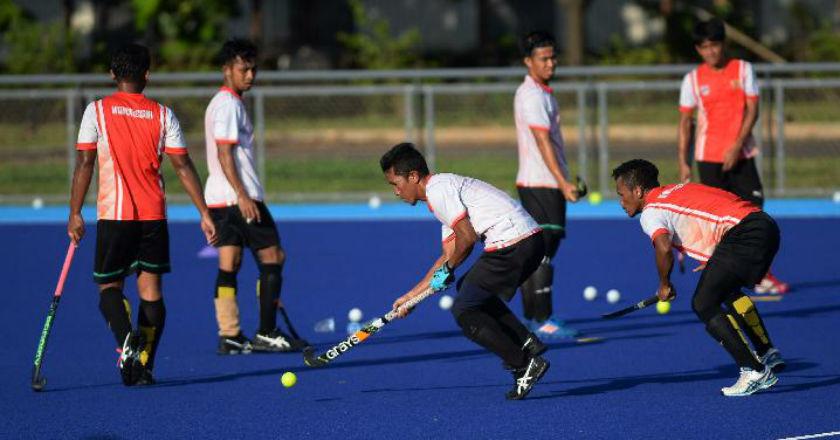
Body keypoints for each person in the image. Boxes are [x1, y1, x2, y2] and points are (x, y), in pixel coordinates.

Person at [67, 44, 217, 386]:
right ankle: (144, 364)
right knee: (151, 292)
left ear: (112, 75)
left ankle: (126, 340)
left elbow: (85, 163)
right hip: (153, 217)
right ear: (147, 75)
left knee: (109, 287)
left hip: (115, 217)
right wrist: (204, 213)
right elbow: (182, 166)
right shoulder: (164, 114)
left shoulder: (97, 111)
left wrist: (75, 212)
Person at [381, 143, 550, 400]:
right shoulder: (442, 192)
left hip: (513, 242)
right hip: (529, 240)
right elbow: (449, 255)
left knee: (464, 310)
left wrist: (448, 269)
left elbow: (467, 239)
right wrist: (410, 297)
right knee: (472, 293)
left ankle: (523, 363)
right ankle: (526, 341)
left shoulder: (439, 191)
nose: (396, 192)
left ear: (413, 176)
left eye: (396, 184)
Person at [612, 159, 785, 396]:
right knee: (727, 291)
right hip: (763, 226)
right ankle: (767, 353)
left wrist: (664, 284)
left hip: (744, 235)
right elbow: (716, 207)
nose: (621, 202)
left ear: (638, 191)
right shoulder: (676, 190)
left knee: (703, 303)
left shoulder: (650, 211)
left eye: (622, 195)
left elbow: (663, 248)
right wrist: (717, 258)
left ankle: (754, 370)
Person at [204, 39, 303, 354]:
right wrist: (243, 195)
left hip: (220, 199)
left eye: (253, 69)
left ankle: (229, 334)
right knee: (273, 256)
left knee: (229, 263)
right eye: (243, 69)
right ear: (226, 70)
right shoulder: (229, 104)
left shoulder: (222, 103)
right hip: (239, 198)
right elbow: (224, 153)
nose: (250, 75)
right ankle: (267, 331)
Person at [677, 18, 788, 294]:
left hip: (743, 154)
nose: (711, 52)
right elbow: (685, 123)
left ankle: (761, 274)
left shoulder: (743, 70)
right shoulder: (692, 80)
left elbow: (753, 110)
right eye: (704, 47)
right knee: (717, 221)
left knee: (755, 212)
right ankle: (721, 276)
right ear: (698, 49)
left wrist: (737, 146)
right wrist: (683, 161)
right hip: (708, 158)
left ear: (723, 45)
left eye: (715, 45)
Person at [513, 31, 581, 339]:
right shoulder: (532, 96)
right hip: (540, 184)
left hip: (544, 183)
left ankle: (534, 319)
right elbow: (542, 141)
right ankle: (542, 320)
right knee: (542, 251)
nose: (551, 63)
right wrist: (563, 182)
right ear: (528, 62)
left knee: (541, 251)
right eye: (544, 58)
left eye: (553, 57)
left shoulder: (543, 92)